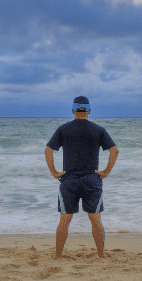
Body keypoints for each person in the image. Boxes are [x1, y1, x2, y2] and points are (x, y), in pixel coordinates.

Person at [44, 95, 119, 259]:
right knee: (95, 219)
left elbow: (48, 150)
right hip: (92, 179)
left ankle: (58, 255)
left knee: (65, 219)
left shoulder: (63, 129)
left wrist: (54, 172)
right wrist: (105, 172)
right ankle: (101, 254)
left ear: (72, 110)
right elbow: (114, 150)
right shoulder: (98, 130)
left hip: (69, 180)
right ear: (89, 111)